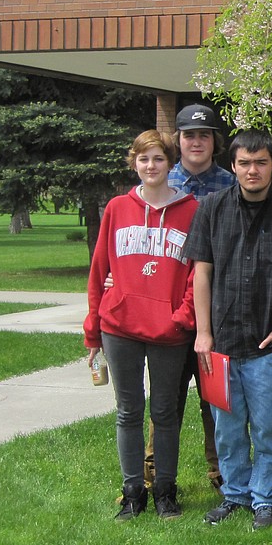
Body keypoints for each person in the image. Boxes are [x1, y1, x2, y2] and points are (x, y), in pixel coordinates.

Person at [185, 130, 272, 530]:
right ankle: (235, 494)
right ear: (233, 166)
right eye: (244, 163)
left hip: (267, 342)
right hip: (221, 343)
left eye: (261, 162)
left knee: (266, 427)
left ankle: (266, 499)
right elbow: (201, 273)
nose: (252, 170)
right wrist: (203, 333)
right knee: (227, 429)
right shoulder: (211, 208)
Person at [84, 130, 198, 520]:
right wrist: (93, 330)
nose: (151, 167)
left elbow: (197, 273)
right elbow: (100, 269)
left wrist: (182, 317)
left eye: (159, 159)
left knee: (166, 412)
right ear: (134, 163)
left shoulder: (191, 210)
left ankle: (165, 489)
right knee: (128, 411)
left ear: (171, 164)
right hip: (120, 327)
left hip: (169, 332)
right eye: (143, 159)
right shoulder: (117, 207)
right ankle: (133, 491)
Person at [165, 103, 237, 493]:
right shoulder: (163, 183)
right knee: (166, 399)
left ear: (214, 142)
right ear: (178, 141)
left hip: (218, 310)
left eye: (204, 135)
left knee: (216, 399)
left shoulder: (231, 185)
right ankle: (156, 475)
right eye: (189, 135)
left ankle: (221, 472)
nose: (196, 142)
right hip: (172, 309)